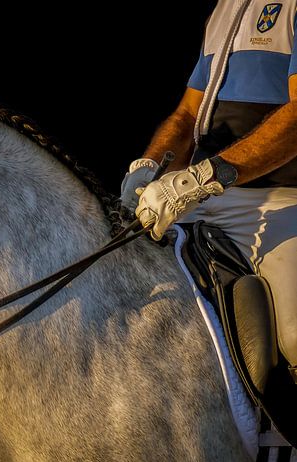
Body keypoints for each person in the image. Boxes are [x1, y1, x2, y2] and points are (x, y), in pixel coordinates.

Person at [120, 0, 296, 375]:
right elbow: (187, 114)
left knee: (296, 336)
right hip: (203, 193)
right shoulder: (224, 10)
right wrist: (149, 166)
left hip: (279, 199)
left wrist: (205, 177)